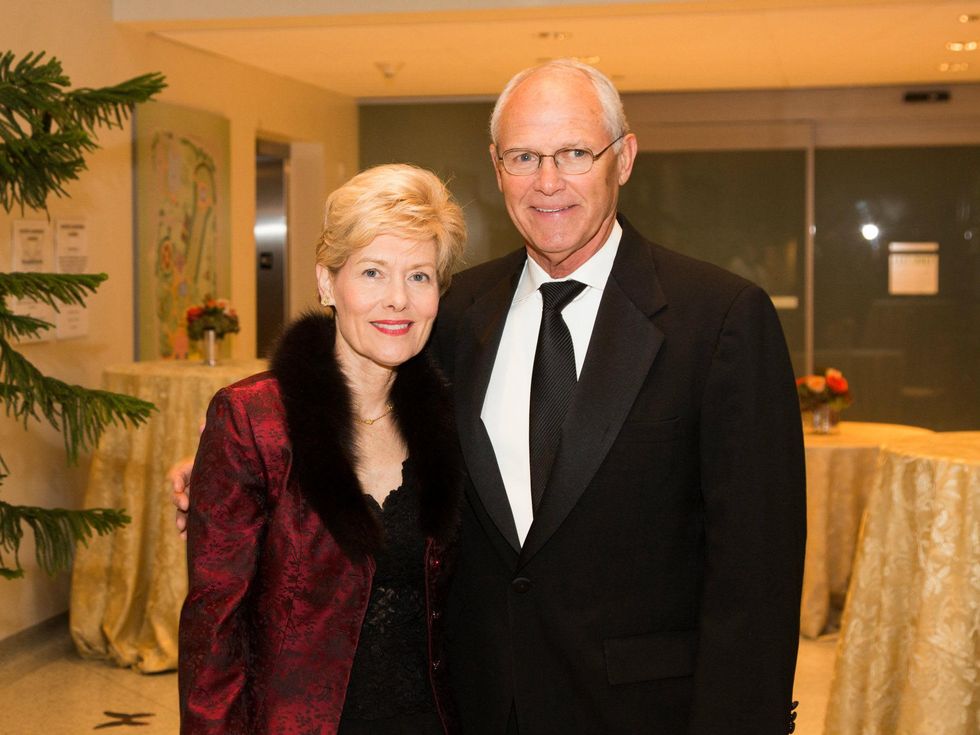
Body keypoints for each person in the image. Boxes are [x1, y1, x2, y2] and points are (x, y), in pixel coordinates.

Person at [176, 60, 806, 734]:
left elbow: (757, 572)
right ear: (496, 167)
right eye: (524, 156)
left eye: (573, 153)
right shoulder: (455, 313)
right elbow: (356, 414)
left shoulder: (718, 320)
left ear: (623, 158)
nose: (548, 182)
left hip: (641, 711)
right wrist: (220, 476)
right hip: (472, 706)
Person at [177, 163, 466, 734]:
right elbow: (215, 631)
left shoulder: (455, 417)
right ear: (328, 282)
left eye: (419, 277)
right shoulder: (254, 420)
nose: (397, 301)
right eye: (373, 272)